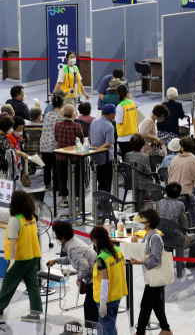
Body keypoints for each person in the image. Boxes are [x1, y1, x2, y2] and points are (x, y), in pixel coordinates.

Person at [129, 209, 173, 335]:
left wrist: (139, 262)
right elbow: (143, 251)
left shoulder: (155, 238)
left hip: (155, 276)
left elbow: (155, 260)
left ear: (147, 222)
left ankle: (140, 332)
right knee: (155, 303)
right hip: (150, 276)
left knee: (146, 304)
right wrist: (135, 243)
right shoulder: (147, 235)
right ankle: (166, 329)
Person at [0, 190, 42, 321]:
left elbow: (13, 240)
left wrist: (12, 259)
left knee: (8, 286)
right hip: (33, 257)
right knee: (33, 286)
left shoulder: (14, 220)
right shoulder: (32, 217)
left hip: (19, 259)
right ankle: (35, 314)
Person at [48, 222, 99, 327]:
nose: (56, 238)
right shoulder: (73, 242)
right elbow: (72, 259)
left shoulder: (72, 248)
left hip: (95, 280)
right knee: (91, 309)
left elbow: (84, 265)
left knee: (90, 312)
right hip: (95, 278)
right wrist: (56, 260)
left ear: (62, 236)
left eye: (57, 235)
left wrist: (79, 278)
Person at [89, 226, 127, 335]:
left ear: (97, 240)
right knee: (106, 325)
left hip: (106, 298)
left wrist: (102, 302)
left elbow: (104, 281)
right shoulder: (118, 251)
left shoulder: (101, 259)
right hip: (117, 294)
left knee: (108, 328)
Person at [156, 182, 195, 262]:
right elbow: (184, 226)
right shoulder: (180, 205)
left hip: (161, 237)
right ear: (179, 194)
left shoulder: (159, 203)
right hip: (176, 239)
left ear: (166, 192)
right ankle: (192, 262)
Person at [55, 104, 84, 208]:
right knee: (77, 177)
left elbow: (56, 138)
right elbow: (82, 141)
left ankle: (64, 199)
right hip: (74, 157)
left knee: (62, 178)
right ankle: (76, 198)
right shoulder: (77, 126)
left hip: (60, 156)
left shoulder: (57, 125)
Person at [168, 137, 195, 223]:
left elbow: (169, 171)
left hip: (171, 189)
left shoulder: (175, 158)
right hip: (184, 191)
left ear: (182, 148)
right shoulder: (193, 159)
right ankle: (192, 224)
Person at [90, 104, 116, 192]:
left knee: (99, 182)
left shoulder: (94, 121)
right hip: (105, 160)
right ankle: (104, 204)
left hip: (94, 157)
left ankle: (99, 202)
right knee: (106, 185)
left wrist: (95, 151)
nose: (115, 116)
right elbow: (108, 143)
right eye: (115, 114)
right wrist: (99, 150)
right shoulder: (109, 126)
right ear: (111, 114)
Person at [41, 95, 64, 193]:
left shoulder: (47, 115)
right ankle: (56, 189)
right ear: (62, 104)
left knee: (46, 166)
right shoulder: (62, 115)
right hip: (55, 144)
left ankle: (47, 185)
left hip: (44, 142)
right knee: (55, 167)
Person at [115, 84, 137, 159]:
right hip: (133, 135)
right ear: (127, 92)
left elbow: (119, 121)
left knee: (126, 160)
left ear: (117, 93)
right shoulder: (132, 103)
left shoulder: (120, 106)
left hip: (124, 137)